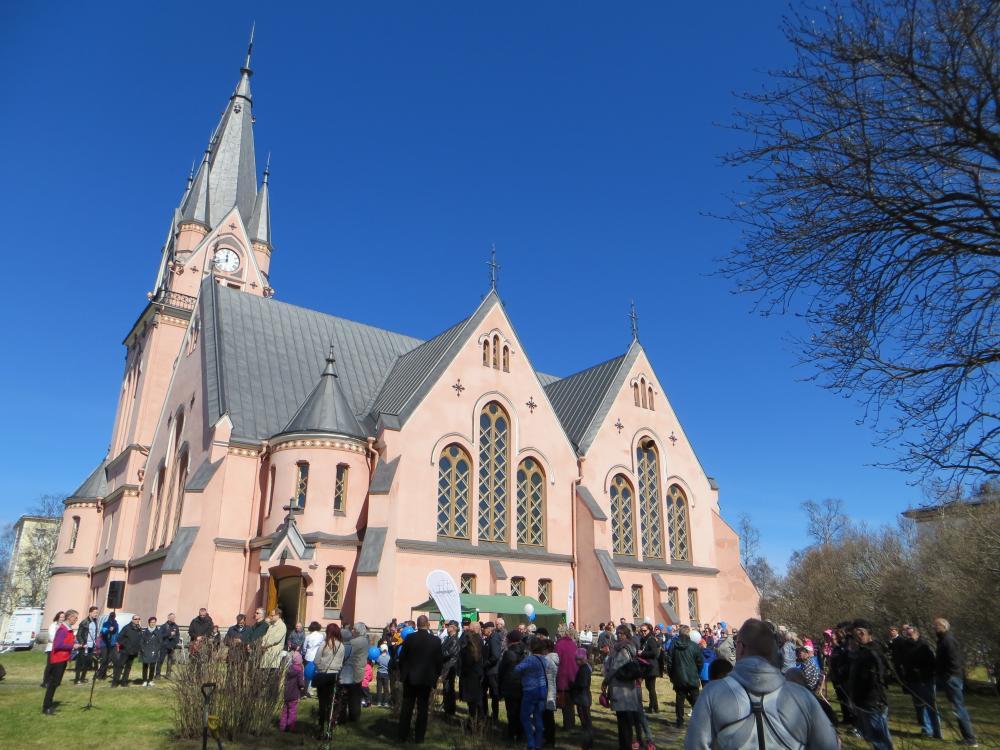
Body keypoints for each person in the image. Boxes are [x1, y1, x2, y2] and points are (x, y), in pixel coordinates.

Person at [684, 618, 838, 750]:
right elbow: (830, 745)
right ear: (774, 650)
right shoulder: (802, 696)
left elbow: (695, 746)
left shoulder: (713, 693)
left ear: (740, 648)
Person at [397, 614, 444, 743]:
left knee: (407, 708)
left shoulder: (410, 638)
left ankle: (402, 735)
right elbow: (439, 662)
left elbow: (402, 658)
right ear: (428, 624)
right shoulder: (435, 641)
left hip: (410, 678)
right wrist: (435, 676)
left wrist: (403, 674)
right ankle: (419, 737)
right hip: (426, 679)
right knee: (423, 709)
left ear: (417, 625)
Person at [849, 620, 893, 750]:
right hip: (864, 701)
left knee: (880, 739)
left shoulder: (873, 651)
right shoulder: (863, 651)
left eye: (859, 634)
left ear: (865, 633)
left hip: (873, 701)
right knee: (874, 737)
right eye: (855, 635)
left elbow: (879, 677)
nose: (857, 637)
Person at [933, 618, 977, 746]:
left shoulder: (948, 640)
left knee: (958, 708)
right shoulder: (942, 640)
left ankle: (970, 738)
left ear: (944, 627)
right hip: (949, 677)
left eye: (936, 626)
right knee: (956, 707)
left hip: (951, 678)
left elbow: (955, 661)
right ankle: (967, 737)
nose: (934, 628)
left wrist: (947, 676)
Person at [603, 624, 641, 750]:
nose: (619, 635)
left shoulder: (624, 649)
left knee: (624, 721)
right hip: (623, 686)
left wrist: (606, 681)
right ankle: (624, 744)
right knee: (623, 719)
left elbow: (615, 667)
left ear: (627, 635)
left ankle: (625, 745)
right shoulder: (620, 648)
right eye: (618, 633)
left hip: (623, 687)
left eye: (622, 633)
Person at [901, 625, 941, 739]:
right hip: (913, 680)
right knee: (919, 706)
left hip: (925, 680)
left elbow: (932, 663)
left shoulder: (924, 645)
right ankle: (925, 728)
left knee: (929, 705)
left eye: (911, 634)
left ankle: (934, 731)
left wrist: (922, 671)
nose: (909, 636)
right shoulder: (905, 647)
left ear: (917, 634)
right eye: (907, 634)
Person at [666, 624, 704, 729]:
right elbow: (700, 662)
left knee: (680, 700)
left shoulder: (674, 645)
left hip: (679, 677)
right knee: (695, 699)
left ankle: (680, 721)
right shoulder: (694, 646)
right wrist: (697, 673)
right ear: (689, 633)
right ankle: (699, 721)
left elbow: (669, 663)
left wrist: (672, 676)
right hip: (692, 677)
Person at [515, 637, 550, 750]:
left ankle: (531, 742)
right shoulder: (545, 660)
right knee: (538, 716)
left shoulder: (529, 659)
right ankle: (538, 743)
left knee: (524, 716)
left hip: (530, 690)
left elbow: (517, 669)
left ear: (531, 647)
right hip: (543, 689)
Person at [42, 608, 79, 715]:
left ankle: (49, 704)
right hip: (58, 659)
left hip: (63, 659)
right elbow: (57, 645)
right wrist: (72, 646)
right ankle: (46, 707)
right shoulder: (62, 630)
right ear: (70, 617)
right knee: (53, 683)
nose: (76, 620)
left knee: (56, 683)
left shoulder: (68, 629)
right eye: (75, 618)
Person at [313, 623, 344, 737]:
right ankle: (330, 730)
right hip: (334, 675)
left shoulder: (324, 644)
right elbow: (341, 663)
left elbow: (316, 660)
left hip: (323, 674)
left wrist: (322, 665)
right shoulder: (341, 645)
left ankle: (321, 727)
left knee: (322, 703)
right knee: (331, 704)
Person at [498, 629, 527, 743]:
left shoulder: (508, 653)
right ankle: (520, 734)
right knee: (521, 711)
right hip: (522, 685)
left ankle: (511, 735)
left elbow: (502, 670)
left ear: (510, 640)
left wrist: (500, 687)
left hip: (510, 685)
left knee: (511, 712)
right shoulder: (525, 652)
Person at [342, 621, 370, 722]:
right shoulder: (366, 640)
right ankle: (355, 716)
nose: (352, 631)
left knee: (346, 695)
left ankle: (343, 716)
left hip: (351, 671)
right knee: (356, 696)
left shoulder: (355, 642)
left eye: (353, 629)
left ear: (357, 630)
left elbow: (345, 650)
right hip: (359, 671)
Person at [459, 620, 485, 723]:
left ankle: (474, 721)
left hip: (471, 674)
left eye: (469, 627)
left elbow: (467, 658)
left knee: (473, 701)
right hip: (476, 673)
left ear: (473, 628)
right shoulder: (478, 640)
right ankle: (477, 720)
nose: (467, 628)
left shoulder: (473, 641)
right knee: (476, 700)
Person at [555, 624, 580, 728]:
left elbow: (556, 661)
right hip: (574, 675)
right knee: (570, 703)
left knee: (564, 702)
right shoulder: (573, 644)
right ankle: (571, 723)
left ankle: (568, 725)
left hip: (563, 675)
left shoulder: (559, 645)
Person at [570, 647, 594, 750]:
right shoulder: (586, 667)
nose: (576, 662)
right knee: (586, 721)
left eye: (578, 660)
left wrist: (573, 685)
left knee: (586, 722)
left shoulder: (584, 669)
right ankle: (587, 742)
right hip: (585, 697)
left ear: (583, 659)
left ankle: (587, 744)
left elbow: (582, 684)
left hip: (582, 698)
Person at [638, 621, 662, 713]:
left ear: (649, 630)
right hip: (646, 667)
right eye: (641, 631)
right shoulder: (644, 639)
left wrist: (642, 653)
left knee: (651, 688)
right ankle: (653, 707)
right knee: (650, 687)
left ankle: (654, 707)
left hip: (651, 667)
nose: (643, 632)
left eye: (644, 630)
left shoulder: (651, 639)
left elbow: (654, 653)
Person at [482, 621, 504, 722]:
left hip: (493, 671)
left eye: (484, 629)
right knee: (485, 692)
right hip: (490, 670)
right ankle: (485, 712)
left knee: (494, 694)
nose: (483, 630)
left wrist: (485, 664)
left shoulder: (494, 638)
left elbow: (495, 656)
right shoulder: (490, 638)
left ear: (489, 629)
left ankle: (494, 716)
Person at [113, 614, 143, 687]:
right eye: (135, 619)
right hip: (125, 651)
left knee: (128, 667)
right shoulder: (127, 628)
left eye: (138, 619)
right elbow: (119, 638)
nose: (137, 620)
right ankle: (115, 682)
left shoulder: (139, 629)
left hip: (133, 651)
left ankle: (124, 682)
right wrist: (125, 645)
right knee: (120, 666)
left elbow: (139, 639)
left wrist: (138, 648)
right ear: (132, 620)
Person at [280, 651, 306, 731]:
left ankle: (282, 726)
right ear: (300, 661)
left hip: (287, 693)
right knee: (292, 711)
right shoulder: (299, 671)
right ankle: (291, 727)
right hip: (294, 694)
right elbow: (300, 682)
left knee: (285, 711)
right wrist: (302, 687)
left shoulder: (289, 669)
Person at [74, 606, 99, 684]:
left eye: (97, 613)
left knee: (87, 662)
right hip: (84, 646)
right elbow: (79, 635)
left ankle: (82, 678)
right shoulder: (84, 622)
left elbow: (94, 633)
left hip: (91, 646)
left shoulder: (95, 622)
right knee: (80, 663)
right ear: (90, 613)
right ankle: (77, 679)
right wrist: (82, 643)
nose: (96, 614)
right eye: (94, 613)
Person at [440, 620, 460, 716]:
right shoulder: (449, 638)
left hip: (450, 666)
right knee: (446, 688)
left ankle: (450, 709)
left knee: (449, 689)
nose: (447, 627)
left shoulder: (455, 639)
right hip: (446, 666)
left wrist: (439, 654)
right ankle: (446, 706)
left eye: (449, 626)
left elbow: (450, 653)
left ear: (453, 628)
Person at [41, 611, 65, 688]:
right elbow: (51, 637)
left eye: (63, 617)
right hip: (52, 648)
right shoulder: (53, 625)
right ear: (57, 617)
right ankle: (45, 681)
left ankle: (55, 682)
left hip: (60, 649)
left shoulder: (64, 626)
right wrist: (59, 641)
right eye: (61, 617)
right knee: (50, 665)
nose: (62, 618)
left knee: (58, 666)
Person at [260, 609, 288, 674]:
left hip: (273, 656)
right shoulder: (271, 625)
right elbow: (265, 636)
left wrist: (264, 645)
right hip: (266, 654)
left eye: (272, 615)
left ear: (278, 615)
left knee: (271, 676)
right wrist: (262, 643)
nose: (270, 617)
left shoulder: (282, 626)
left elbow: (275, 639)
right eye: (270, 615)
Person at [302, 621, 324, 698]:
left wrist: (305, 652)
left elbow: (304, 647)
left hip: (309, 657)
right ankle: (312, 690)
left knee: (307, 673)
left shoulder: (308, 636)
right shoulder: (321, 636)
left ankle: (306, 690)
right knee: (315, 673)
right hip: (317, 657)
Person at [156, 612, 180, 678]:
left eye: (174, 618)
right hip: (164, 646)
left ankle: (168, 674)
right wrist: (169, 634)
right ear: (168, 618)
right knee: (161, 660)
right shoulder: (163, 626)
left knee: (170, 661)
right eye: (172, 618)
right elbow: (160, 635)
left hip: (172, 646)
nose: (173, 619)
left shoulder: (176, 626)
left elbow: (178, 635)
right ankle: (157, 674)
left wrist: (176, 642)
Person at [96, 611, 118, 680]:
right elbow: (103, 631)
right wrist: (109, 630)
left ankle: (114, 675)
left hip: (112, 644)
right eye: (111, 616)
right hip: (105, 644)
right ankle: (100, 675)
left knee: (112, 660)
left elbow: (116, 632)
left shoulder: (116, 624)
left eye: (113, 616)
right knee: (104, 660)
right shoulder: (106, 623)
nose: (112, 617)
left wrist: (113, 629)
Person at [140, 616, 161, 687]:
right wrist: (143, 649)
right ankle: (145, 680)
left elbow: (160, 642)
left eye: (154, 622)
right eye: (151, 622)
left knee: (152, 666)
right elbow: (141, 641)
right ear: (149, 623)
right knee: (145, 666)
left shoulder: (158, 632)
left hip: (154, 651)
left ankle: (150, 680)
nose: (153, 623)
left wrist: (156, 650)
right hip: (146, 651)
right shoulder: (145, 632)